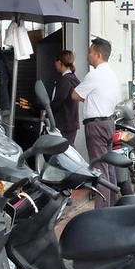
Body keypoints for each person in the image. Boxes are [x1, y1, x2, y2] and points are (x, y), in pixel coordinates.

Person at [72, 37, 120, 208]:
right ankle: (113, 204)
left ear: (98, 55)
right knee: (109, 167)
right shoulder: (112, 74)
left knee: (100, 169)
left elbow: (75, 95)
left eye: (90, 52)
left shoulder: (94, 75)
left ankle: (101, 210)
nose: (87, 55)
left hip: (96, 126)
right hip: (109, 123)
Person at [51, 50, 81, 146]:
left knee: (65, 150)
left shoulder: (65, 80)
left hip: (64, 123)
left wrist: (48, 113)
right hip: (71, 122)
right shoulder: (73, 78)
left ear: (59, 62)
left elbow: (58, 100)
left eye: (56, 62)